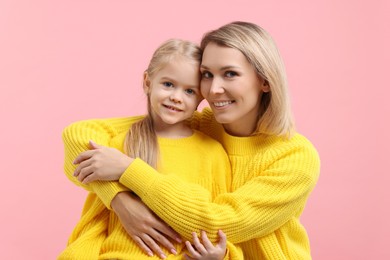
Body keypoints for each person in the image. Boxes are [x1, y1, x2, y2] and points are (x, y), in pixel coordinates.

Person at [67, 21, 321, 259]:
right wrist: (119, 200)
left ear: (265, 80)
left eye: (230, 74)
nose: (213, 89)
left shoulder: (295, 156)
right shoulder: (201, 125)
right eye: (207, 74)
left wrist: (128, 170)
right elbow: (80, 135)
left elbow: (216, 226)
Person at [59, 39, 241, 259]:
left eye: (190, 91)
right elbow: (96, 219)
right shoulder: (119, 145)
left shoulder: (212, 154)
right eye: (168, 84)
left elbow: (217, 226)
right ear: (147, 82)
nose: (176, 96)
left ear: (202, 97)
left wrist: (221, 256)